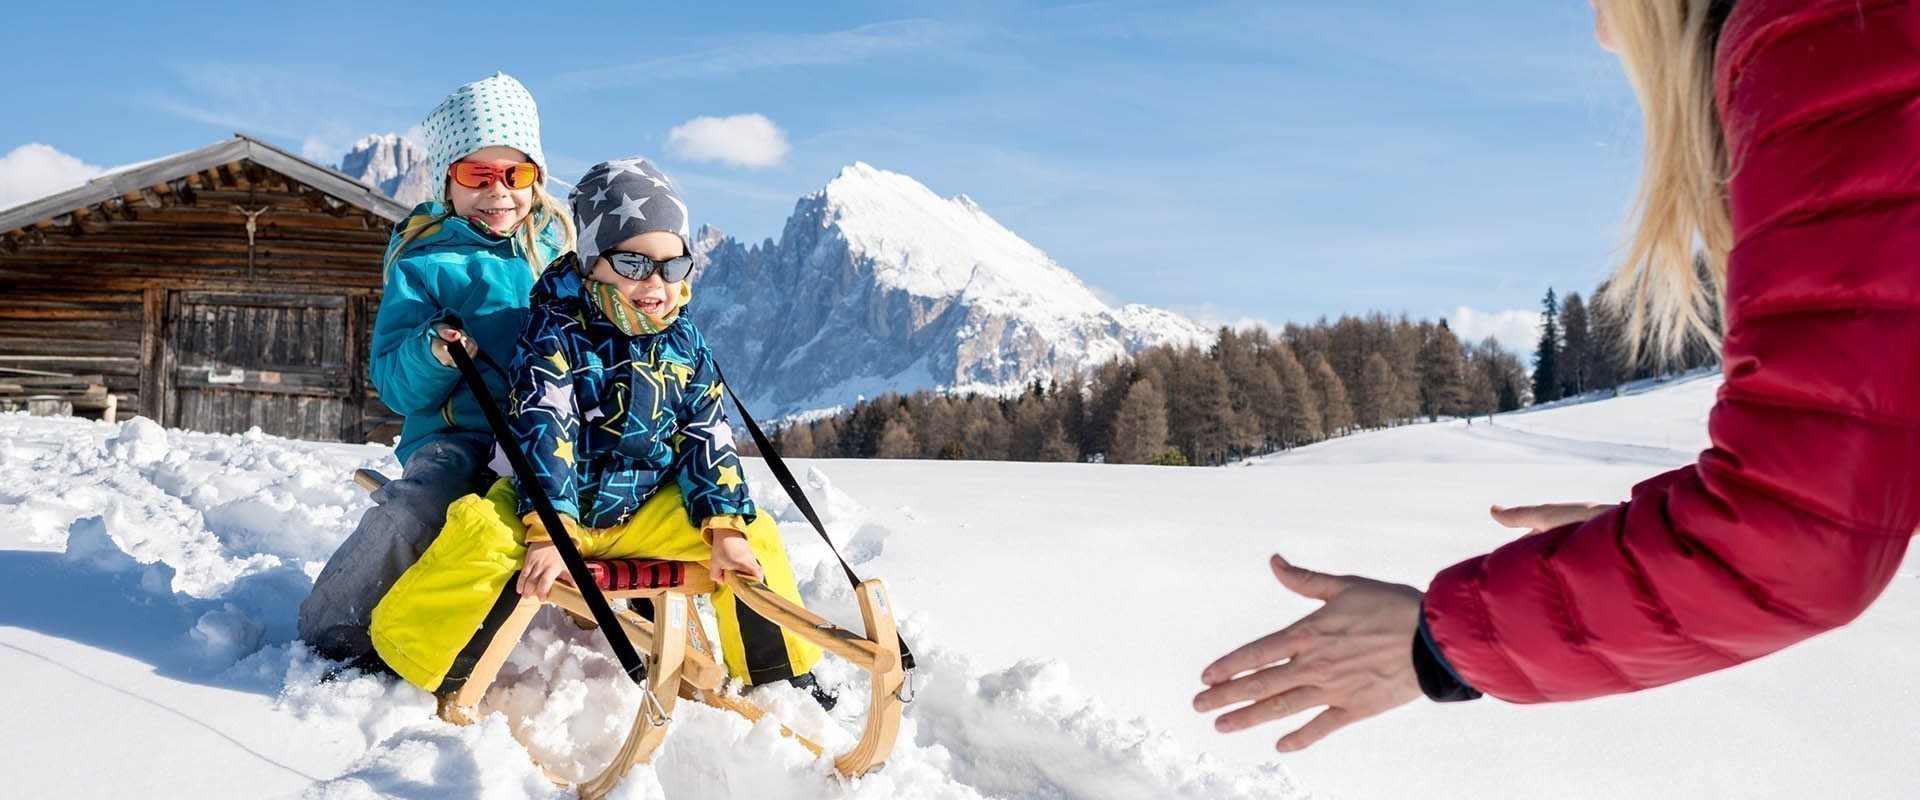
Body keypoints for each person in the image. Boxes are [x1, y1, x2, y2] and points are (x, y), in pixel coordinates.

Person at [1194, 0, 1920, 751]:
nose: (1604, 33)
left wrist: (1436, 644)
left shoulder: (1832, 32)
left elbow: (1799, 539)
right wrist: (1661, 539)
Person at [368, 157, 834, 708]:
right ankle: (407, 653)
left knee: (754, 542)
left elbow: (706, 433)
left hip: (639, 509)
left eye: (673, 265)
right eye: (633, 263)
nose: (656, 283)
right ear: (593, 263)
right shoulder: (556, 329)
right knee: (481, 538)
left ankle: (780, 673)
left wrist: (723, 525)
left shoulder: (684, 341)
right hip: (551, 507)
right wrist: (548, 532)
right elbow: (545, 425)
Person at [298, 72, 574, 664]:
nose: (499, 191)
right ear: (448, 180)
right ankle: (334, 633)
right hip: (462, 436)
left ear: (536, 178)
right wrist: (435, 352)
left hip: (555, 437)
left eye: (515, 174)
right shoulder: (426, 262)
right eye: (478, 174)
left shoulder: (561, 255)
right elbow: (396, 386)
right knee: (424, 505)